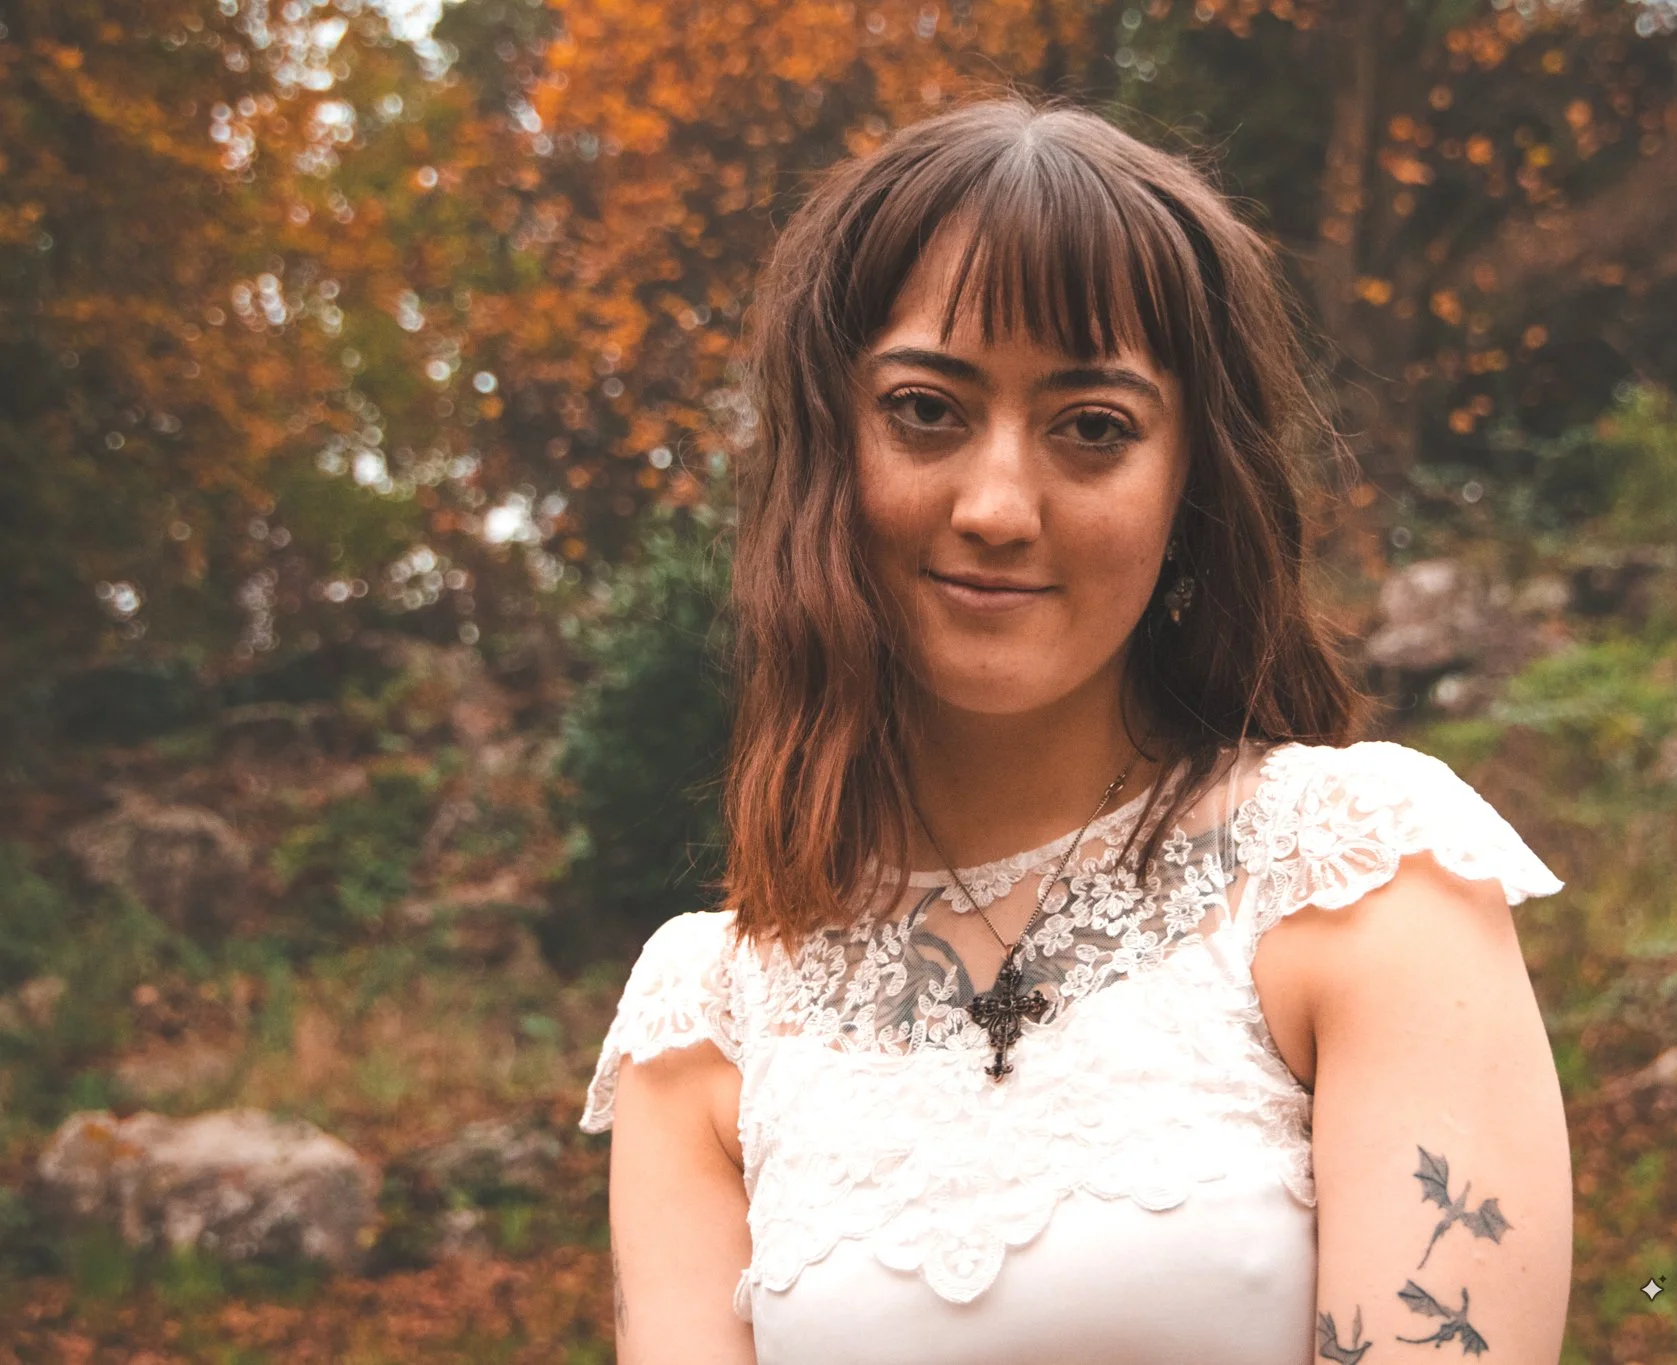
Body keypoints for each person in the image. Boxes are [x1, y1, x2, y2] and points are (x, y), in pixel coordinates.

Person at [579, 96, 1573, 1365]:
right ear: (832, 451)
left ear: (1188, 486)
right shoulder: (708, 1015)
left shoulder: (1359, 876)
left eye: (1091, 429)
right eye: (926, 411)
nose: (997, 505)